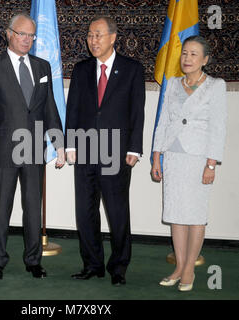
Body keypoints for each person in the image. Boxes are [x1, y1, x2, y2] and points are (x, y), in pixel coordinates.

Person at [0, 13, 65, 280]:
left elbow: (50, 109)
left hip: (35, 149)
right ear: (9, 34)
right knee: (1, 208)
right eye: (22, 34)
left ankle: (33, 260)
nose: (27, 40)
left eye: (31, 35)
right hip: (3, 151)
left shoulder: (42, 67)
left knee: (33, 209)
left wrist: (59, 145)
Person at [65, 16, 145, 286]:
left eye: (98, 35)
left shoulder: (132, 69)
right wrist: (70, 144)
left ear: (113, 37)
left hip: (117, 152)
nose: (93, 40)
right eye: (89, 35)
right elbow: (73, 109)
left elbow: (137, 112)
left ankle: (119, 267)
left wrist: (135, 147)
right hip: (85, 151)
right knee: (85, 211)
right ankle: (92, 264)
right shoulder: (81, 69)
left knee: (117, 211)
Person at [151, 36, 227, 291]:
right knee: (175, 214)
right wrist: (156, 155)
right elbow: (163, 121)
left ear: (205, 59)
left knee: (195, 216)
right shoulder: (172, 84)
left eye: (194, 54)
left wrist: (211, 164)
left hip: (198, 158)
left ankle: (189, 270)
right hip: (173, 156)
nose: (187, 58)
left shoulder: (215, 86)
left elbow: (218, 127)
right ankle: (179, 266)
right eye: (185, 53)